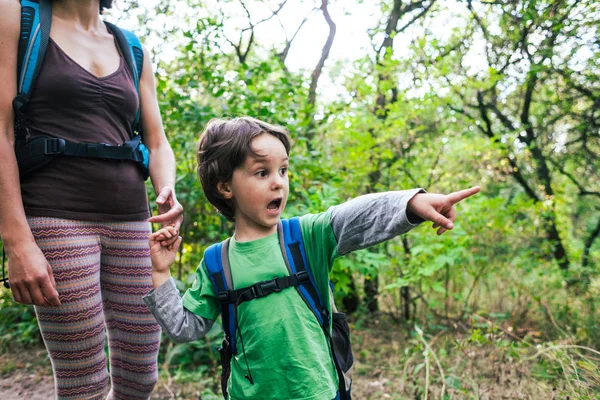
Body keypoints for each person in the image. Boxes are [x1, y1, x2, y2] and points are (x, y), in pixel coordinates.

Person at [144, 116, 480, 400]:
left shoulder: (306, 237)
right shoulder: (218, 262)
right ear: (225, 187)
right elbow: (185, 328)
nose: (278, 183)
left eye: (284, 171)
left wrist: (411, 203)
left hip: (318, 391)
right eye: (262, 173)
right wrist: (161, 272)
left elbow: (355, 216)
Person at [0, 0, 182, 399]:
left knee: (140, 378)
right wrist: (17, 242)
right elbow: (1, 132)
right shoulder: (16, 17)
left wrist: (166, 191)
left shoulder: (131, 46)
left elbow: (157, 140)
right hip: (56, 217)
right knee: (84, 385)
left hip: (134, 221)